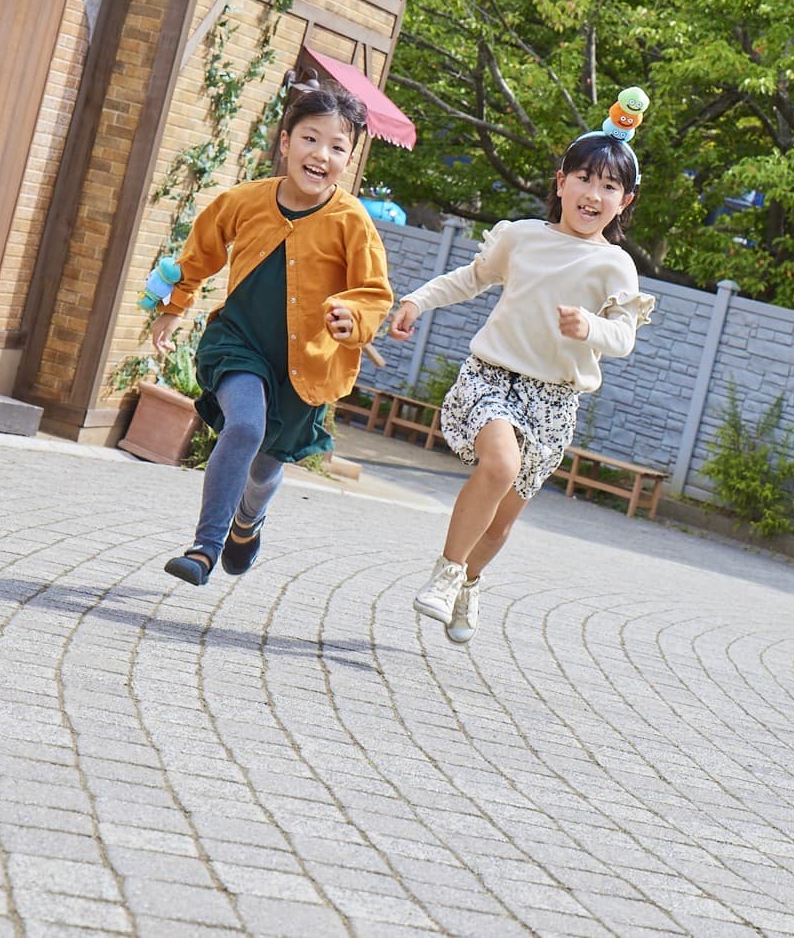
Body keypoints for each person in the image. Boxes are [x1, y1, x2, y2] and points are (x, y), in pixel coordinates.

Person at [389, 95, 655, 644]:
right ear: (561, 183)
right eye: (584, 178)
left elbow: (624, 338)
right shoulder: (522, 237)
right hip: (491, 378)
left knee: (504, 521)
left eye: (608, 187)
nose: (592, 194)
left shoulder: (616, 265)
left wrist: (591, 328)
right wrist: (416, 301)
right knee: (499, 465)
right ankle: (444, 575)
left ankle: (470, 581)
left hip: (555, 401)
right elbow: (470, 278)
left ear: (624, 201)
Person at [152, 73, 392, 588]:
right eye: (310, 138)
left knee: (264, 466)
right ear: (285, 142)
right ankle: (204, 548)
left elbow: (373, 292)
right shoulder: (243, 202)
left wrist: (354, 318)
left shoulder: (352, 221)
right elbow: (198, 255)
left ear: (348, 160)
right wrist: (174, 305)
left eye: (337, 147)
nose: (320, 155)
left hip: (306, 364)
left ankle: (248, 520)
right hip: (240, 342)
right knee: (244, 427)